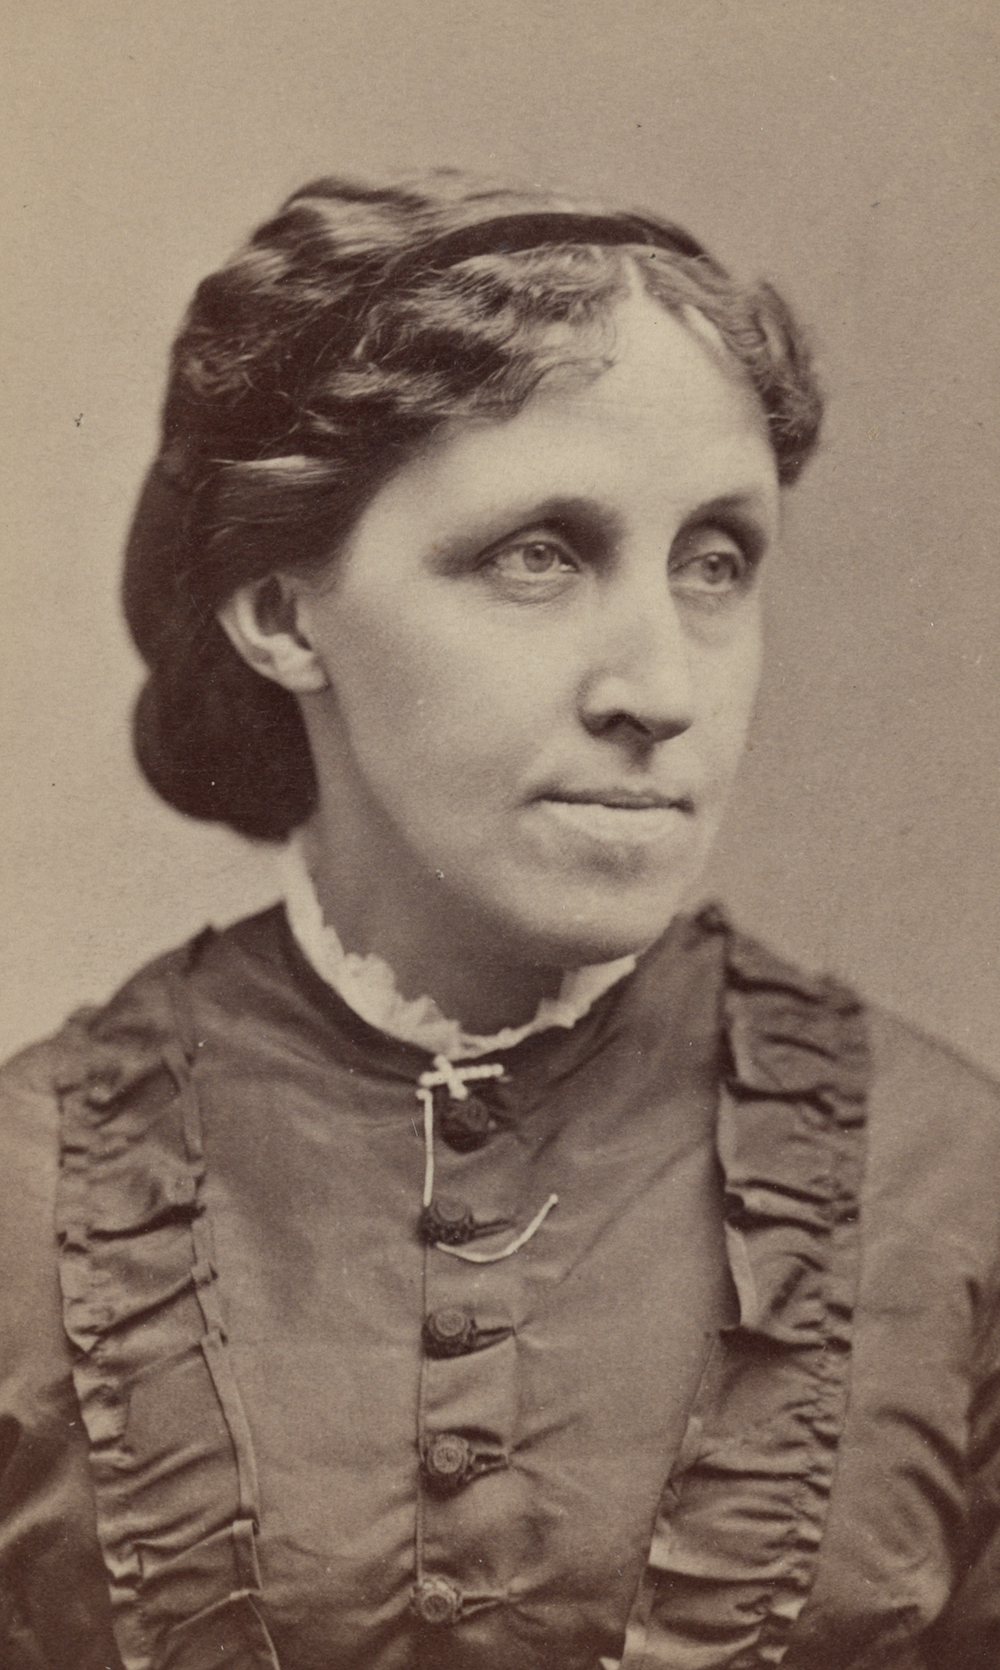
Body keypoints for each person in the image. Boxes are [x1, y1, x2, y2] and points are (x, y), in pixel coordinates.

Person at [0, 170, 997, 1670]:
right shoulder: (29, 1198)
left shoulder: (952, 1181)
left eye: (716, 560)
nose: (660, 687)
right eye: (540, 553)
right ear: (282, 612)